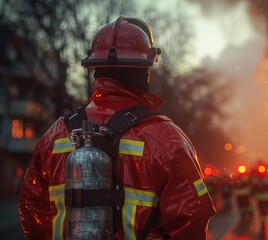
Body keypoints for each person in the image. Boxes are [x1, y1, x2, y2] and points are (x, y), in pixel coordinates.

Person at [18, 16, 216, 239]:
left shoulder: (54, 136)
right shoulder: (167, 139)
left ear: (95, 69)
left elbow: (31, 206)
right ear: (146, 70)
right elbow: (192, 218)